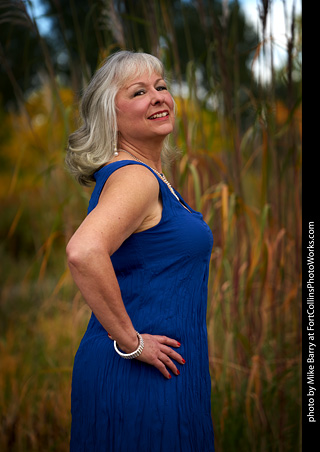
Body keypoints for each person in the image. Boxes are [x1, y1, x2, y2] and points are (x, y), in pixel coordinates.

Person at [65, 50, 215, 452]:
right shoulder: (135, 177)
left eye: (162, 86)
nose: (158, 96)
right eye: (139, 92)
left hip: (157, 371)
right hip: (140, 377)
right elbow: (83, 250)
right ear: (109, 117)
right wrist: (132, 343)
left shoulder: (147, 177)